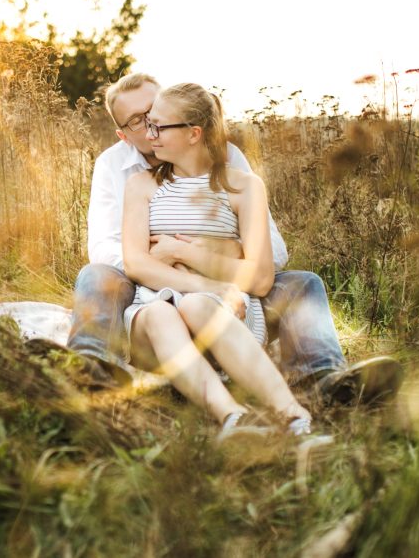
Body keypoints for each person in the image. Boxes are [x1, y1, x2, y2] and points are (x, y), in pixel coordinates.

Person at [68, 73, 402, 407]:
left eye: (156, 111)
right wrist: (165, 265)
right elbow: (106, 249)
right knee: (95, 275)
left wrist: (204, 251)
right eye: (140, 121)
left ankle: (324, 379)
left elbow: (273, 250)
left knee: (303, 284)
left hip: (231, 294)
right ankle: (90, 369)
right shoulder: (117, 169)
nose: (151, 124)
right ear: (123, 134)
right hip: (150, 291)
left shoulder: (228, 161)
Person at [122, 82, 313, 435]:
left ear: (194, 134)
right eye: (149, 125)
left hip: (224, 311)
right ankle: (233, 417)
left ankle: (294, 415)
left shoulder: (244, 187)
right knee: (163, 313)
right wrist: (214, 281)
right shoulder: (141, 186)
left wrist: (182, 251)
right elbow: (136, 264)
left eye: (159, 126)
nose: (150, 136)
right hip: (155, 311)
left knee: (196, 306)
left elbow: (258, 279)